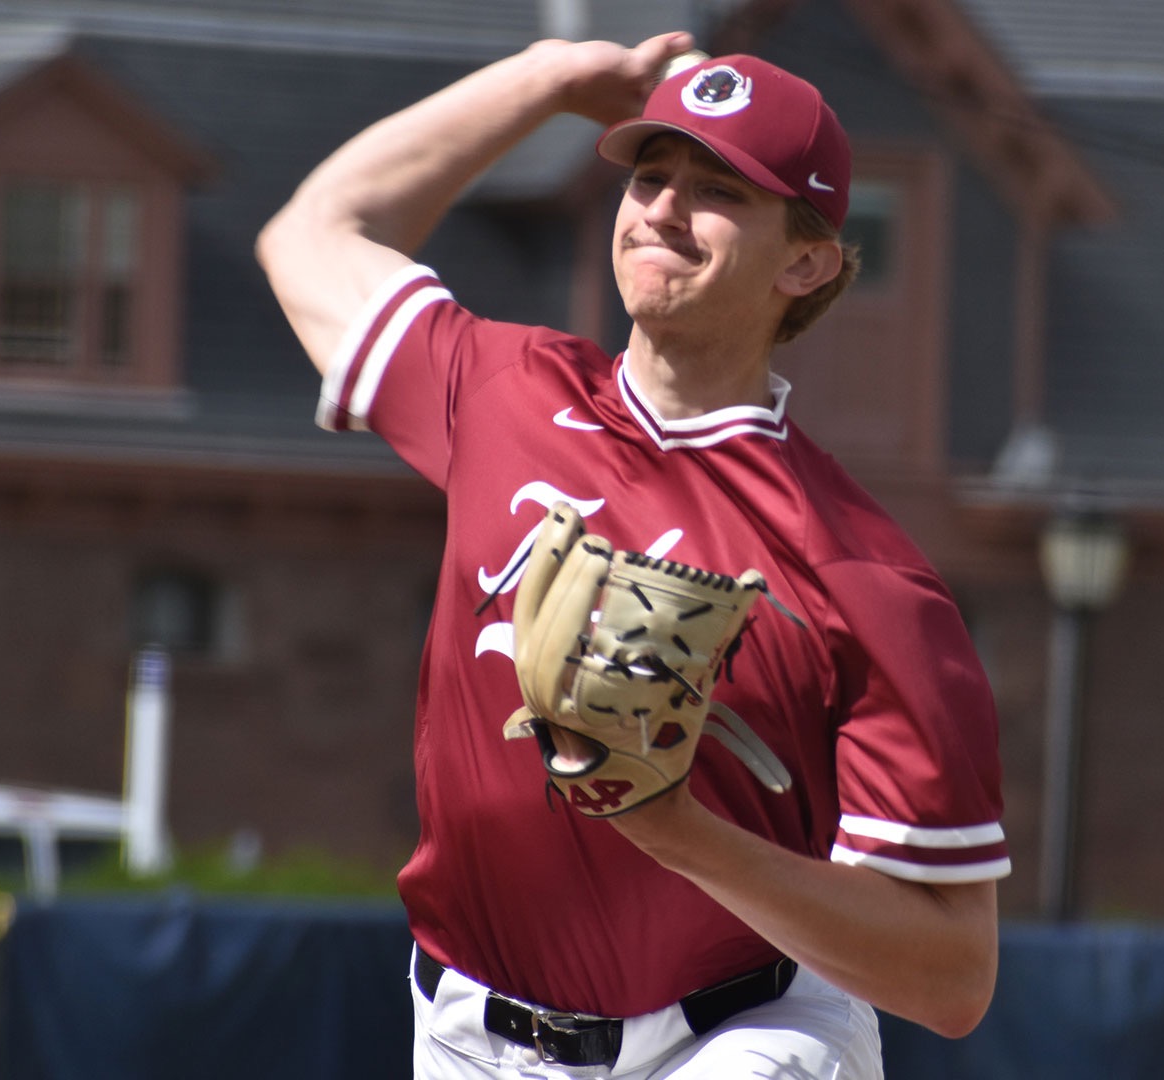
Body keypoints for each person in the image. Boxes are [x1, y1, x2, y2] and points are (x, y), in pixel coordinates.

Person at [257, 31, 1007, 1079]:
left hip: (741, 1035)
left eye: (716, 191)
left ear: (807, 260)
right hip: (468, 1037)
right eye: (649, 175)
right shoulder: (502, 389)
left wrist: (679, 831)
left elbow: (954, 974)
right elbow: (312, 235)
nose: (660, 208)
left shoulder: (864, 576)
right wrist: (547, 80)